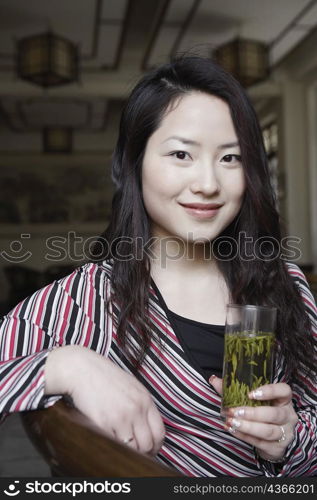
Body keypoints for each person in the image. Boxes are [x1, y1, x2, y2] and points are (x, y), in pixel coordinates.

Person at [0, 56, 316, 477]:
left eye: (230, 158)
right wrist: (67, 365)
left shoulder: (285, 283)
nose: (208, 183)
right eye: (182, 154)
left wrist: (287, 439)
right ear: (135, 163)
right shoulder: (90, 296)